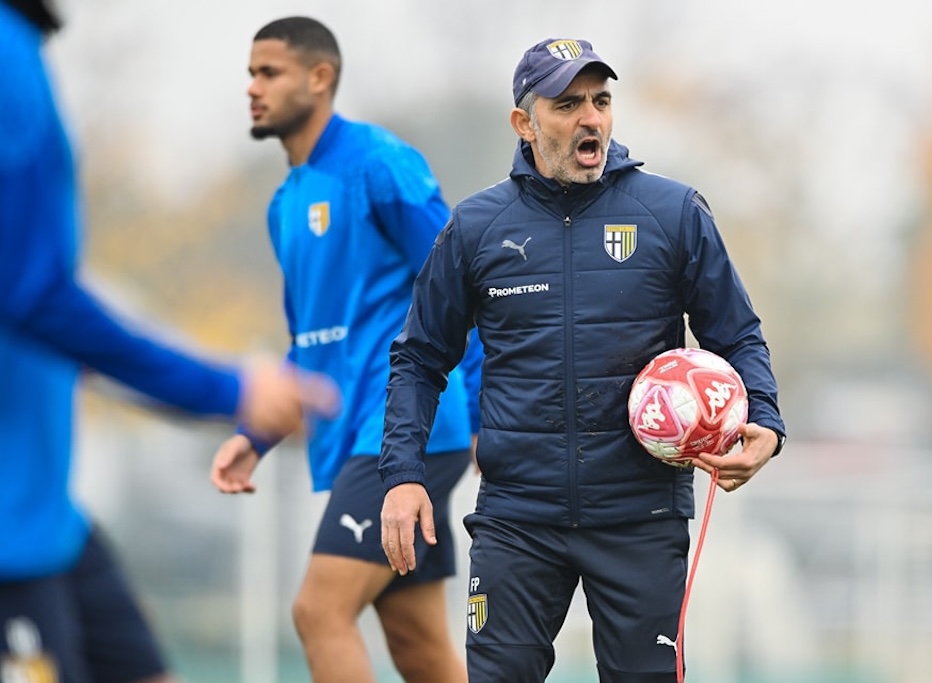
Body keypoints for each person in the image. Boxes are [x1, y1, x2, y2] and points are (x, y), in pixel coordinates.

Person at [380, 37, 787, 682]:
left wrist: (764, 419)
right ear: (525, 122)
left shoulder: (672, 213)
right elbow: (420, 360)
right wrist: (403, 474)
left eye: (600, 100)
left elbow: (736, 335)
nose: (590, 117)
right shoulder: (477, 227)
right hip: (517, 520)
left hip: (641, 518)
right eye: (567, 104)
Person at [0, 2, 338, 683]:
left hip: (48, 520)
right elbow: (33, 293)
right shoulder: (6, 57)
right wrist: (229, 388)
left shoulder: (21, 45)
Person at [208, 16, 481, 683]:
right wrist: (257, 434)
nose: (253, 87)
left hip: (407, 432)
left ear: (319, 77)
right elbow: (309, 342)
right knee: (414, 638)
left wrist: (477, 411)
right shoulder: (285, 204)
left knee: (318, 610)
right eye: (250, 74)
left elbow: (460, 286)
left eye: (268, 72)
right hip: (354, 435)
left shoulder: (379, 164)